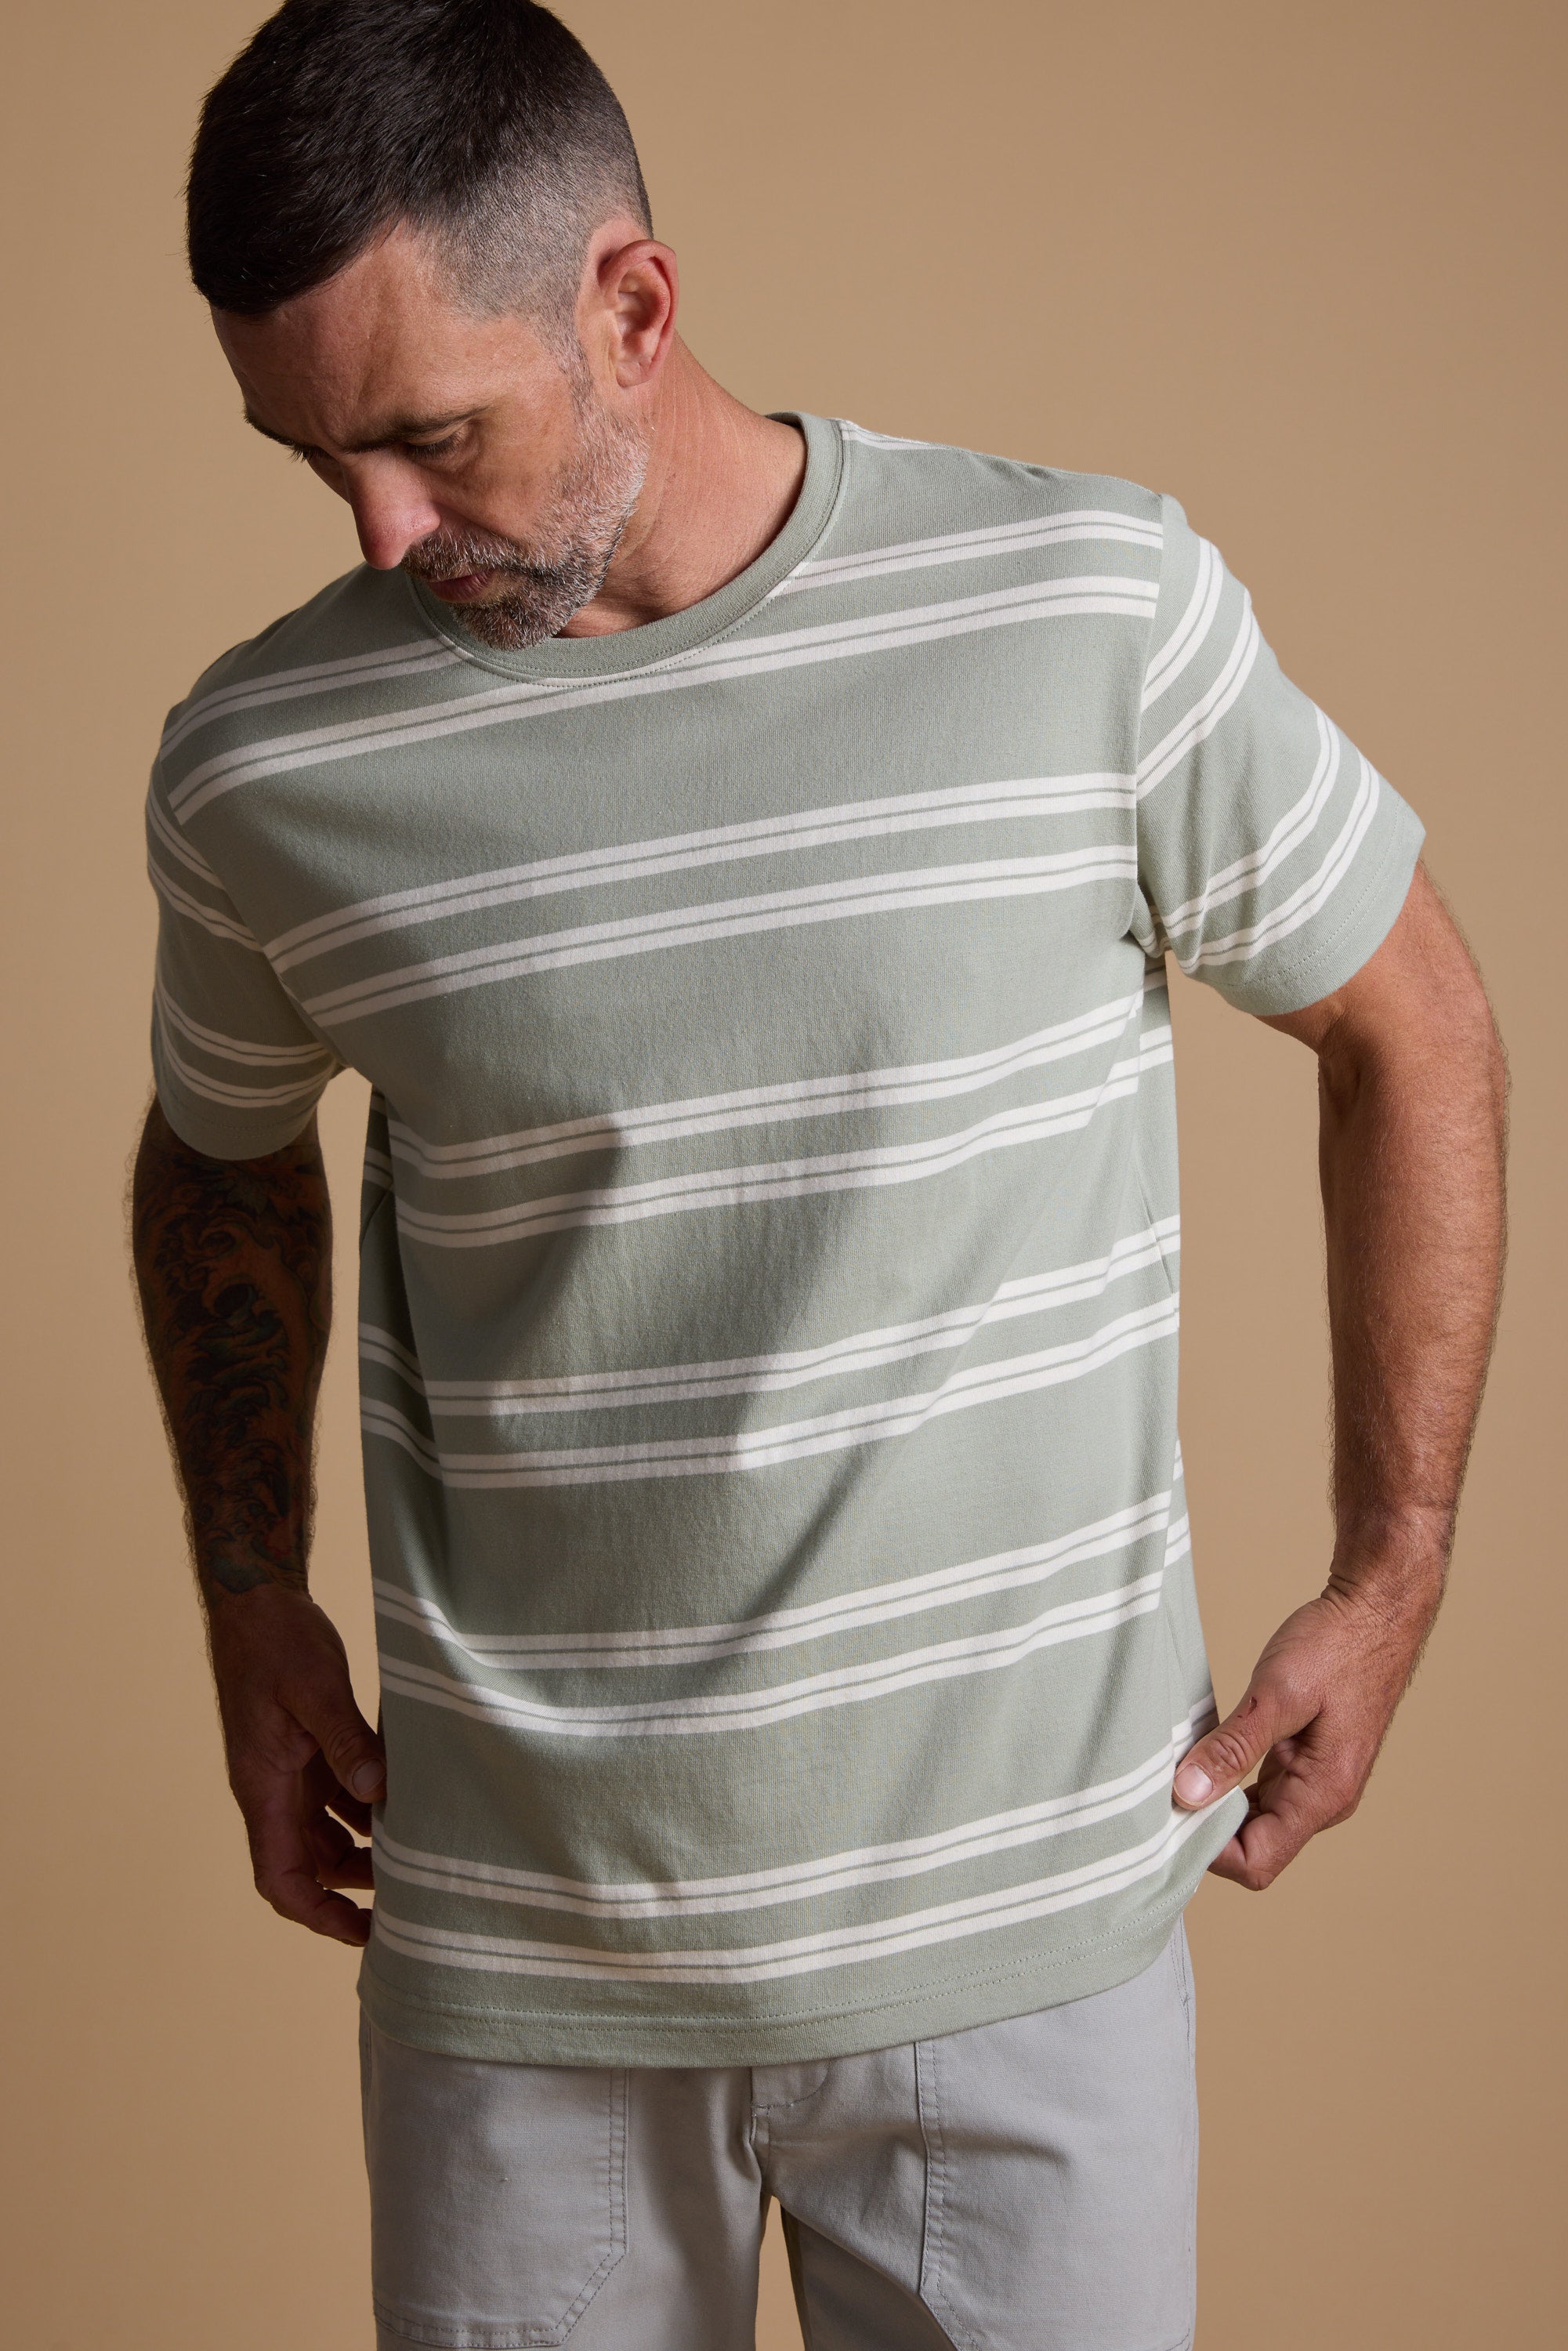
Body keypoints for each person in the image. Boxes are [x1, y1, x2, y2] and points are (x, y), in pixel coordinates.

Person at [130, 5, 1506, 2345]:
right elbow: (220, 1154)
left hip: (1021, 1938)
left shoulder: (1082, 611)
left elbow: (1412, 1020)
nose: (378, 528)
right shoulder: (263, 762)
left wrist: (1394, 1567)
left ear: (632, 308)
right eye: (311, 457)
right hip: (519, 1979)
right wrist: (250, 1597)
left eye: (432, 435)